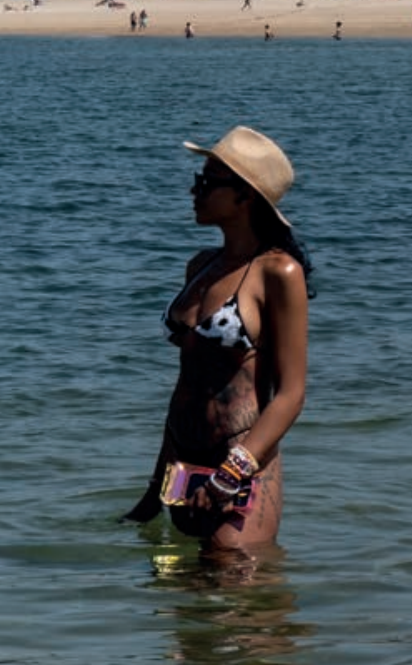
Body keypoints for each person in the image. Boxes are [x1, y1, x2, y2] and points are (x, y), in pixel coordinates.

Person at [121, 126, 313, 552]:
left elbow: (291, 394)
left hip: (242, 462)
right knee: (182, 607)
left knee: (238, 595)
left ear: (245, 196)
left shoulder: (278, 274)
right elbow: (187, 385)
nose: (195, 190)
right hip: (183, 460)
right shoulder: (201, 266)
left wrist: (232, 474)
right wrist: (155, 486)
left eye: (207, 181)